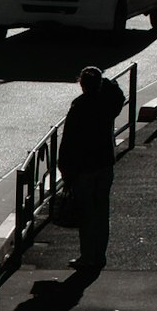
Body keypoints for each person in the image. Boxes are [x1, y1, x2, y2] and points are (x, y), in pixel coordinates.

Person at [56, 65, 127, 284]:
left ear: (82, 85)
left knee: (87, 213)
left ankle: (88, 257)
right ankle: (99, 255)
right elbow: (118, 94)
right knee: (101, 210)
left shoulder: (80, 106)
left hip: (84, 167)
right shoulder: (107, 104)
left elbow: (69, 139)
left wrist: (65, 167)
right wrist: (105, 82)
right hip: (104, 163)